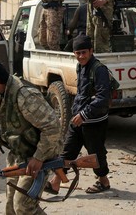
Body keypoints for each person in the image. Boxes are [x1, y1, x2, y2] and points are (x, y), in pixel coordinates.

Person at [0, 60, 62, 215]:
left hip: (36, 157)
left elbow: (53, 127)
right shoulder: (1, 92)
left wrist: (39, 158)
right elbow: (7, 119)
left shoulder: (25, 96)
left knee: (24, 206)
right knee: (11, 207)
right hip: (18, 155)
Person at [46, 35, 111, 194]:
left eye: (84, 52)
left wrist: (84, 114)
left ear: (91, 51)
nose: (81, 56)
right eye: (78, 53)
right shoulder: (80, 67)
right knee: (67, 151)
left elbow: (103, 98)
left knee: (96, 155)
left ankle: (104, 181)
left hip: (94, 121)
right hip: (78, 120)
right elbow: (81, 93)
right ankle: (55, 183)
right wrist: (77, 113)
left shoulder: (99, 69)